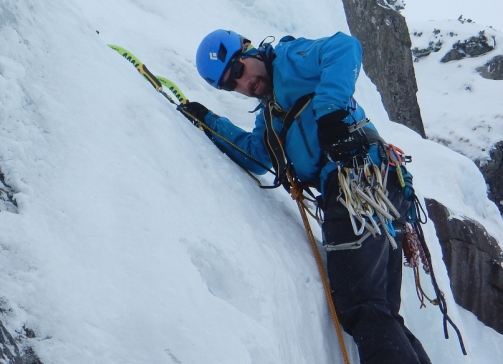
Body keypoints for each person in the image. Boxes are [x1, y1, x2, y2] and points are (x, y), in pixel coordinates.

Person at [178, 29, 431, 364]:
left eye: (238, 72)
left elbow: (344, 48)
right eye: (230, 85)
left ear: (248, 50)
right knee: (380, 310)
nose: (242, 85)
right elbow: (258, 156)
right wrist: (209, 122)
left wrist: (329, 112)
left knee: (362, 306)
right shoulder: (271, 113)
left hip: (355, 184)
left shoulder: (290, 59)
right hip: (378, 189)